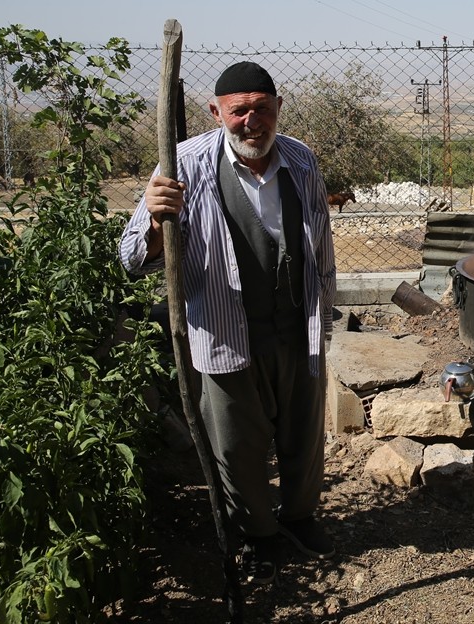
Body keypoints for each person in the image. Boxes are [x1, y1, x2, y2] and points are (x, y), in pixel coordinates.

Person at [120, 61, 337, 583]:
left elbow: (320, 246)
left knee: (303, 435)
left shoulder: (301, 162)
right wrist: (154, 220)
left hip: (296, 327)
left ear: (278, 109)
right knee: (237, 442)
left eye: (262, 109)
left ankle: (301, 518)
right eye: (239, 111)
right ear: (216, 113)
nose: (251, 122)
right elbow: (130, 257)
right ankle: (259, 533)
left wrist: (322, 312)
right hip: (224, 330)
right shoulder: (182, 166)